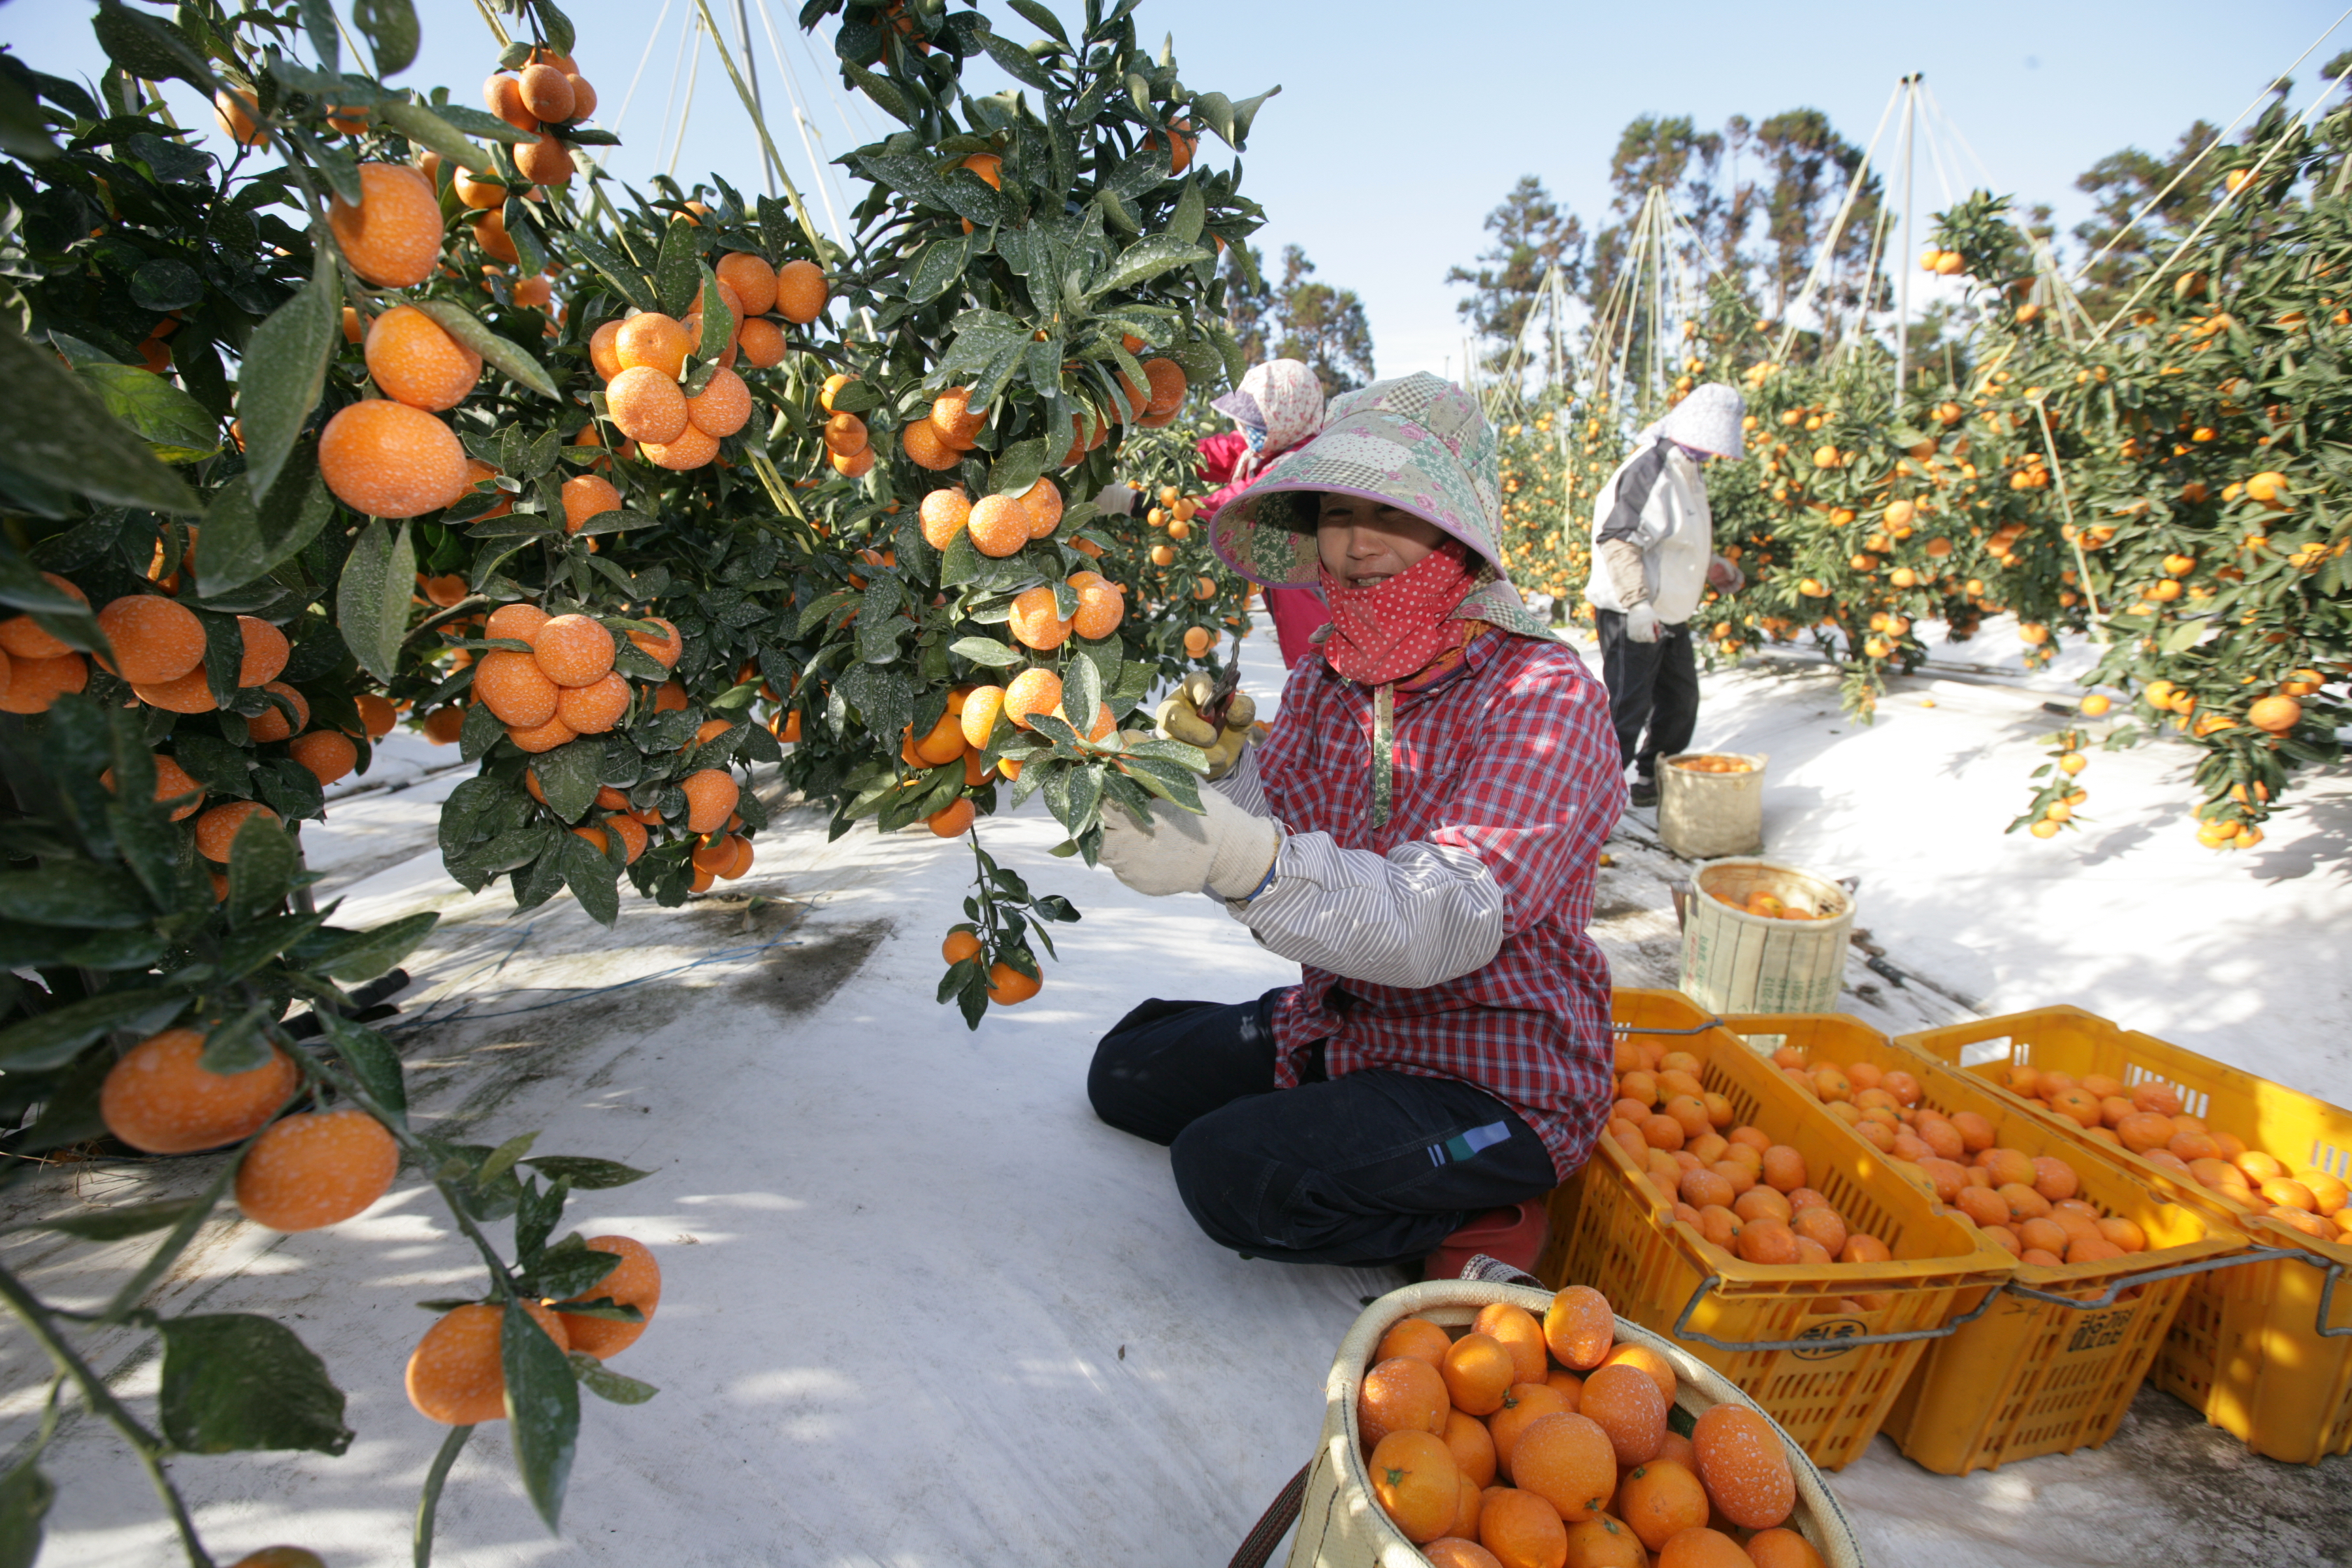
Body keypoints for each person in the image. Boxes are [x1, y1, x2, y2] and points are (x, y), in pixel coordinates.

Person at [1081, 372, 1623, 1276]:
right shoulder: (1327, 682)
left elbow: (1439, 920)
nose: (1358, 544)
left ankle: (1477, 1217)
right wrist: (1226, 781)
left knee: (1233, 1172)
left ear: (1458, 533)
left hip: (1493, 1071)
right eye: (1336, 513)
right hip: (1352, 1019)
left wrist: (1234, 852)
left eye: (1393, 515)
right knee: (1127, 1067)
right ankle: (1338, 1102)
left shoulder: (1543, 696)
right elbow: (1292, 859)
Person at [1584, 383, 1748, 808]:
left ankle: (1651, 780)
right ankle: (1588, 807)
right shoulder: (1650, 468)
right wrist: (1637, 605)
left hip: (1670, 613)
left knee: (1680, 701)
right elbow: (1619, 539)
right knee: (1626, 710)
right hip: (1632, 612)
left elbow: (1674, 540)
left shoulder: (1687, 469)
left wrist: (1713, 567)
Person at [1194, 359, 1330, 668]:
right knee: (1310, 677)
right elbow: (1228, 449)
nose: (1250, 431)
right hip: (1299, 608)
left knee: (1324, 674)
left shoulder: (1302, 465)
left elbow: (1241, 501)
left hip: (1319, 609)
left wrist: (1145, 504)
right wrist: (1173, 453)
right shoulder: (1277, 445)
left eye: (1259, 422)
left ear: (1288, 416)